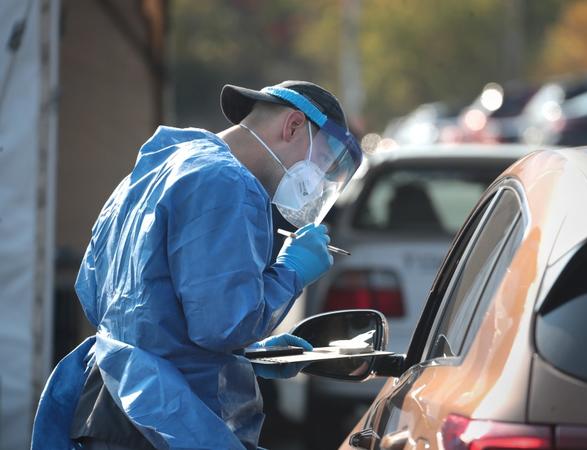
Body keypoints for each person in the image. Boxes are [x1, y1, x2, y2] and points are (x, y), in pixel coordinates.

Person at [31, 80, 364, 449]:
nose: (318, 185)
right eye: (321, 164)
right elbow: (223, 324)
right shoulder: (229, 183)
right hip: (163, 422)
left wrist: (250, 355)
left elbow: (107, 299)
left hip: (108, 409)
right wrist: (290, 272)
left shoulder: (158, 168)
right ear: (293, 126)